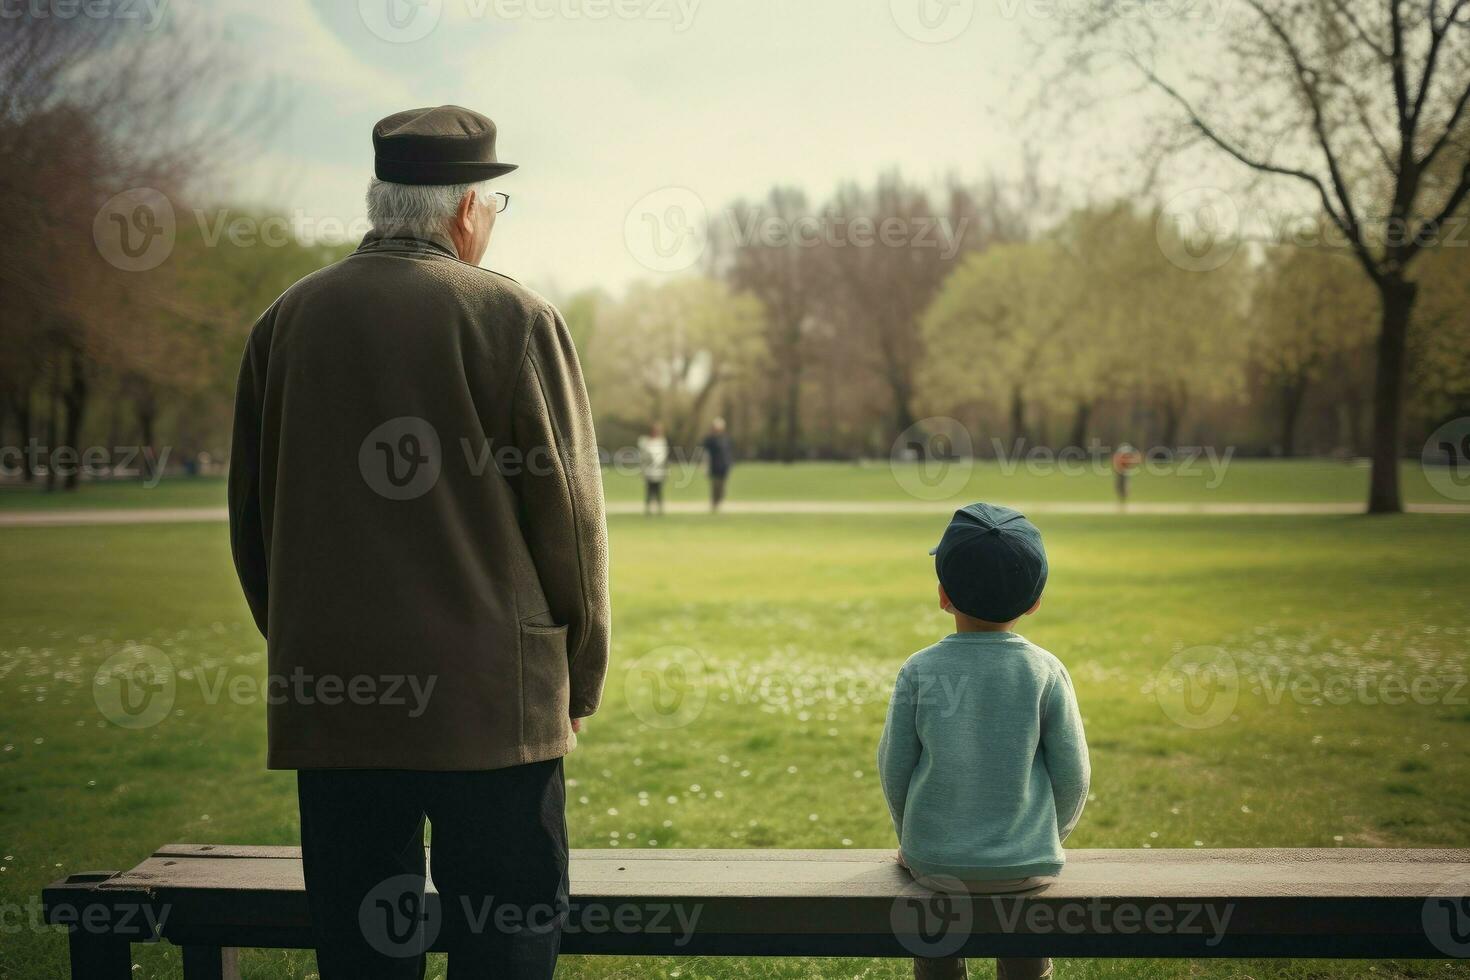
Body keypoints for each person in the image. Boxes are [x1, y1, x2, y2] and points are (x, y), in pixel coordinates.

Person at [228, 106, 610, 980]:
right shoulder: (513, 316)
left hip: (335, 697)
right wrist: (577, 675)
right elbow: (572, 525)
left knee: (361, 950)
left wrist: (302, 643)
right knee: (505, 942)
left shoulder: (284, 322)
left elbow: (254, 524)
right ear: (467, 209)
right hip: (493, 703)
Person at [877, 503, 1090, 980]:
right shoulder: (1045, 672)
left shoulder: (919, 670)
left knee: (935, 940)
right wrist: (1047, 839)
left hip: (935, 864)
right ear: (1034, 602)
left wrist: (911, 842)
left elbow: (894, 769)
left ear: (942, 595)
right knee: (1024, 938)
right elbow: (1074, 777)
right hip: (1028, 866)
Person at [701, 416, 734, 512]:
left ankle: (718, 502)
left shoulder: (726, 439)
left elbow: (729, 453)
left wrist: (729, 464)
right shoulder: (710, 440)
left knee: (723, 488)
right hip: (714, 467)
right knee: (715, 487)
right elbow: (705, 454)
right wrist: (704, 466)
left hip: (724, 467)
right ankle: (714, 504)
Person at [637, 421, 670, 515]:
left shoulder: (662, 442)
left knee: (659, 491)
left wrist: (666, 471)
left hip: (659, 471)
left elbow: (664, 457)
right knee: (649, 491)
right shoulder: (645, 442)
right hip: (649, 471)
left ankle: (660, 509)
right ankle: (648, 509)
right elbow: (643, 457)